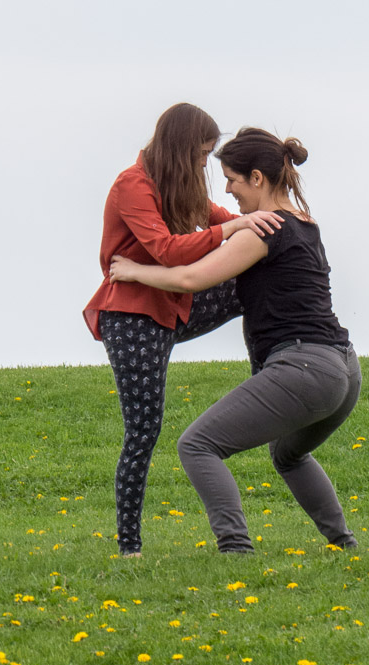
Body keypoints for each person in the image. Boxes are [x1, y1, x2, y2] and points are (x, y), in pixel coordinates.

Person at [108, 127, 362, 553]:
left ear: (257, 179)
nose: (226, 189)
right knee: (288, 455)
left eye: (233, 179)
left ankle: (236, 549)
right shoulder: (305, 223)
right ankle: (344, 544)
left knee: (197, 445)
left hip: (304, 367)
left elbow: (191, 277)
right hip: (346, 371)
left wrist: (134, 271)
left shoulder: (261, 232)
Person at [83, 105, 282, 557]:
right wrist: (234, 226)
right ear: (180, 147)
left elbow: (213, 220)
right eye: (201, 154)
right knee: (144, 430)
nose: (203, 164)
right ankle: (129, 546)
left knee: (247, 282)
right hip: (132, 318)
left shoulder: (180, 182)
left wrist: (260, 220)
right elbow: (167, 251)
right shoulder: (131, 185)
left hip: (175, 308)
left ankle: (273, 372)